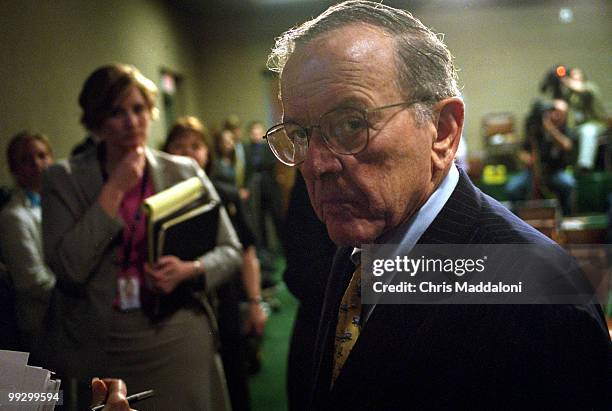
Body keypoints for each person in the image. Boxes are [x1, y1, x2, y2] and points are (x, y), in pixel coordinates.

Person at [261, 1, 610, 409]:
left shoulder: (541, 299)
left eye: (352, 124)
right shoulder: (358, 245)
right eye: (299, 134)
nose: (316, 164)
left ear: (443, 131)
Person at [37, 64, 241, 410]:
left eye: (139, 109)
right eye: (118, 112)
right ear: (97, 119)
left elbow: (230, 250)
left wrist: (190, 269)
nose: (132, 122)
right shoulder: (64, 178)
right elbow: (68, 268)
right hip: (102, 340)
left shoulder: (183, 171)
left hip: (176, 330)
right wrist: (114, 190)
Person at [163, 116, 268, 411]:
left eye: (195, 146)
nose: (187, 153)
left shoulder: (225, 194)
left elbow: (246, 252)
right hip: (177, 310)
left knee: (234, 382)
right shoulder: (155, 199)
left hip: (224, 302)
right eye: (179, 146)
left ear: (207, 152)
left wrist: (255, 302)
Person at [0, 131, 56, 350]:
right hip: (42, 323)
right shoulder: (13, 216)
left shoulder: (60, 203)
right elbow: (33, 282)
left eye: (42, 156)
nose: (37, 163)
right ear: (14, 169)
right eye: (26, 159)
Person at [505, 99, 576, 215]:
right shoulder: (534, 129)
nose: (553, 114)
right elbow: (522, 150)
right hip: (532, 172)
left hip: (554, 172)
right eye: (551, 111)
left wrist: (550, 129)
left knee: (568, 184)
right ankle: (517, 220)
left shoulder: (564, 129)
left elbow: (566, 145)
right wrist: (526, 158)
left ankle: (567, 218)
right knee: (512, 188)